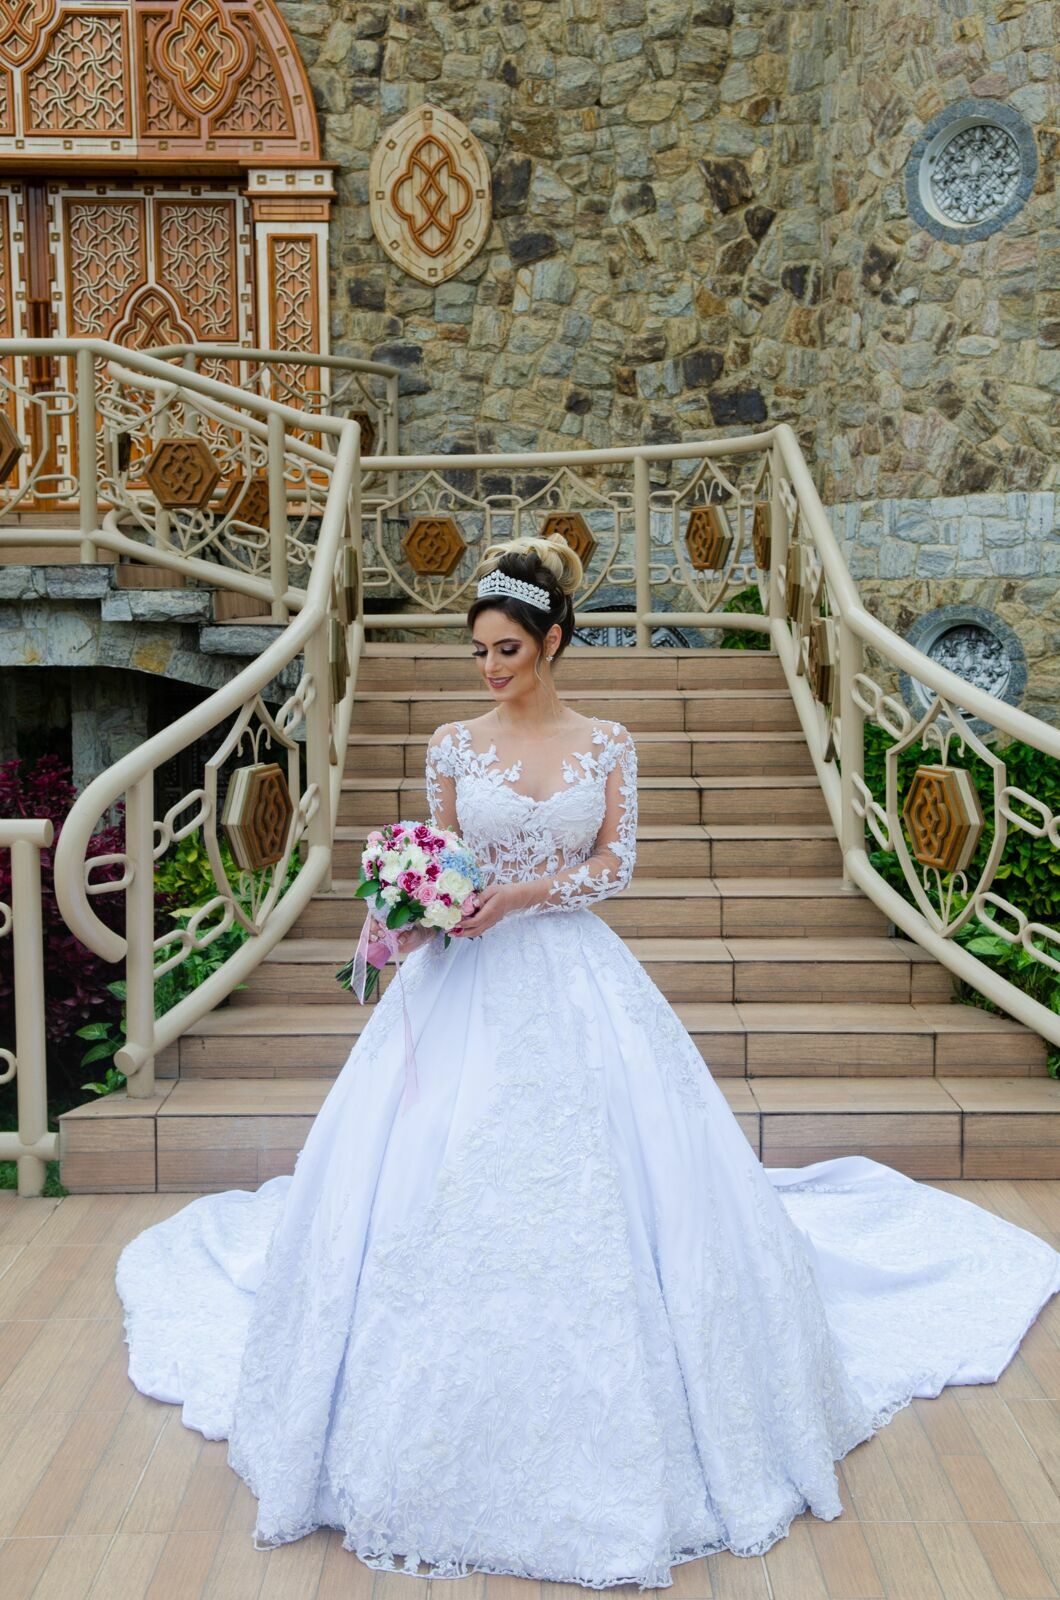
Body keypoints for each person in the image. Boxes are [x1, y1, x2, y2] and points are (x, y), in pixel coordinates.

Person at [116, 531, 1060, 1590]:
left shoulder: (607, 741)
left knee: (612, 1178)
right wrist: (406, 915)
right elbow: (441, 854)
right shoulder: (450, 745)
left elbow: (615, 863)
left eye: (507, 648)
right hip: (459, 984)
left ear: (553, 640)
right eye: (477, 650)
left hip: (569, 970)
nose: (488, 667)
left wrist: (522, 894)